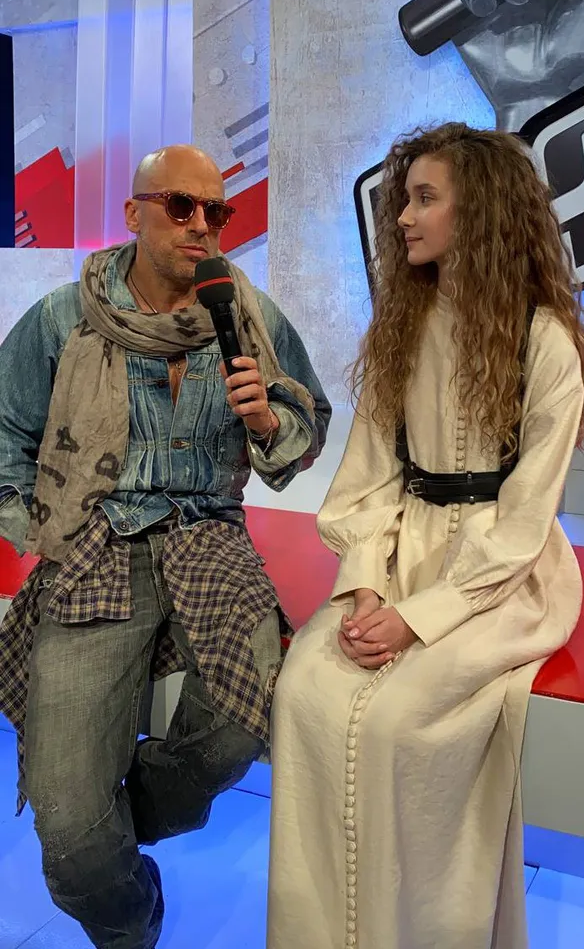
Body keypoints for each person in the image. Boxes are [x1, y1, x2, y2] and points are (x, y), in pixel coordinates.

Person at [267, 123, 584, 949]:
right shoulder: (400, 329)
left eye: (423, 199)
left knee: (396, 720)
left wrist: (418, 619)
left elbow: (524, 520)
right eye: (402, 201)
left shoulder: (545, 341)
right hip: (399, 550)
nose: (403, 218)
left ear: (477, 212)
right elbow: (369, 482)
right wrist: (364, 587)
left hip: (505, 574)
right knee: (302, 691)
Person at [0, 144, 331, 949]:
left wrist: (268, 420)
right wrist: (37, 527)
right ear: (134, 213)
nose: (201, 225)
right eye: (181, 206)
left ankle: (110, 816)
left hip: (210, 536)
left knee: (237, 731)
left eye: (217, 211)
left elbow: (308, 421)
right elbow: (6, 432)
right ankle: (127, 911)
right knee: (68, 836)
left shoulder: (246, 315)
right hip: (98, 546)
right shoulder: (63, 319)